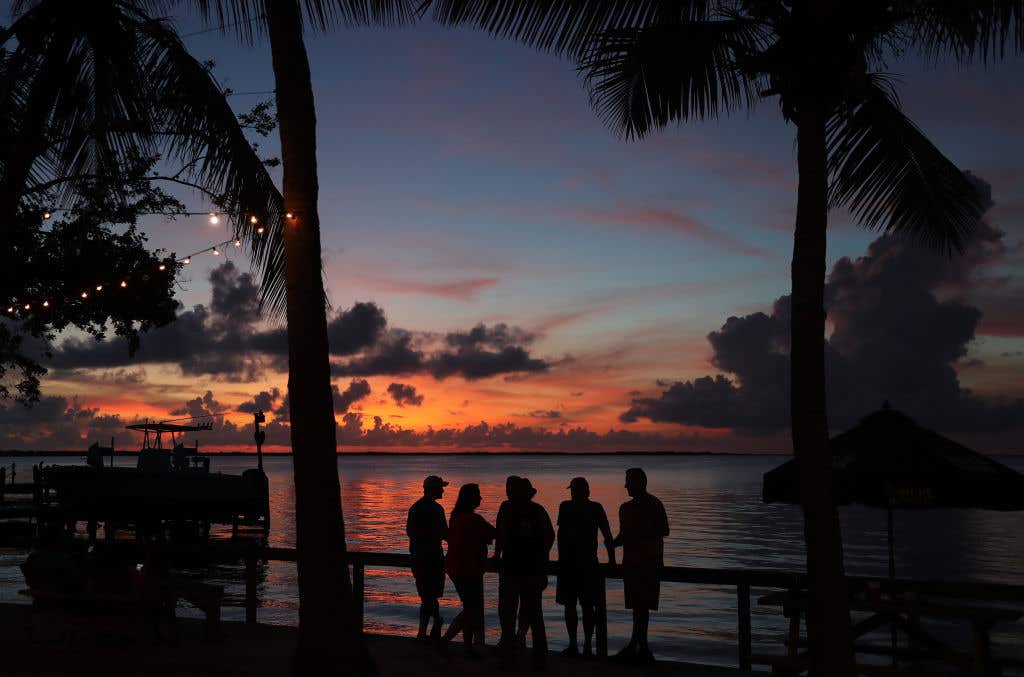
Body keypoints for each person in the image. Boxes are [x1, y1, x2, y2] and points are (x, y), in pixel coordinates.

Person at [611, 468, 669, 666]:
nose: (625, 485)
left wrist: (638, 533)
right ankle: (638, 646)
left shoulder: (654, 504)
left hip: (650, 564)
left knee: (642, 607)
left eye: (628, 481)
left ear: (640, 483)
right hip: (631, 564)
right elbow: (623, 535)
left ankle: (639, 647)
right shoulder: (624, 508)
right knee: (637, 607)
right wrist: (612, 543)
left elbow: (664, 530)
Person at [497, 477, 555, 670]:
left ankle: (511, 658)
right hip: (529, 570)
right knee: (532, 615)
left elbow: (501, 535)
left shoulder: (508, 508)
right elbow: (550, 537)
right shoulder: (537, 510)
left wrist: (497, 556)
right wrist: (542, 558)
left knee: (510, 616)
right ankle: (537, 659)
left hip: (516, 570)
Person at [556, 477, 614, 658]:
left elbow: (606, 534)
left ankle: (581, 645)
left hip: (578, 564)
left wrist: (612, 560)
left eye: (574, 490)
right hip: (581, 564)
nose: (573, 493)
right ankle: (582, 645)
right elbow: (607, 535)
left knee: (580, 607)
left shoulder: (574, 507)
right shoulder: (575, 507)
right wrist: (611, 561)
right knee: (580, 607)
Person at [441, 483, 495, 659]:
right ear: (470, 498)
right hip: (468, 569)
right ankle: (445, 640)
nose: (481, 498)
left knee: (469, 607)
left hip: (456, 568)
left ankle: (467, 647)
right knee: (472, 609)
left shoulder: (455, 517)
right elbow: (492, 533)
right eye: (478, 495)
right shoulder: (473, 520)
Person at [406, 475, 449, 642]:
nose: (443, 490)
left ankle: (430, 627)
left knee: (427, 596)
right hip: (432, 558)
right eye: (440, 487)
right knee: (429, 596)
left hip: (418, 557)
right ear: (433, 489)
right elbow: (445, 533)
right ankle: (426, 630)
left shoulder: (415, 507)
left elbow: (410, 532)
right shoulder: (436, 509)